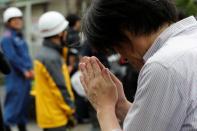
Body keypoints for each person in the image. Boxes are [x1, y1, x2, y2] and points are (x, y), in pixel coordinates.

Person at [79, 0, 197, 131]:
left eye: (117, 48)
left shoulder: (162, 66)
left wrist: (104, 108)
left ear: (125, 30)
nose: (123, 58)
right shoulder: (190, 38)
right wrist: (121, 105)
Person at [34, 11, 75, 131]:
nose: (67, 33)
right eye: (65, 30)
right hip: (56, 117)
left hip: (49, 116)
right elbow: (59, 88)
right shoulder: (51, 58)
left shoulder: (45, 53)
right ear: (60, 33)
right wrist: (71, 109)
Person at [1, 7, 34, 131]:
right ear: (8, 22)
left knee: (22, 109)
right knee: (12, 108)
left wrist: (30, 69)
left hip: (25, 78)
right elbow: (11, 57)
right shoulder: (7, 38)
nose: (18, 21)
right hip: (16, 78)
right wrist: (24, 70)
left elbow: (25, 55)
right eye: (14, 20)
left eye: (19, 19)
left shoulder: (19, 36)